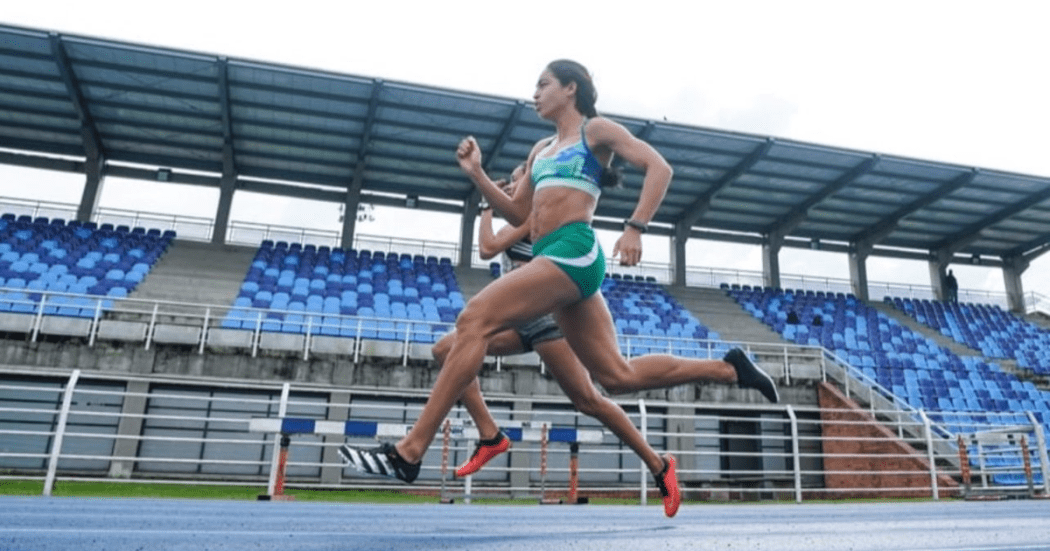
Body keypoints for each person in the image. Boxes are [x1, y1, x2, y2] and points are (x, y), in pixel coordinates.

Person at [340, 60, 778, 517]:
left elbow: (659, 168)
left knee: (473, 320)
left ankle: (411, 450)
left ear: (571, 89)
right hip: (551, 255)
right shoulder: (541, 150)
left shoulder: (596, 131)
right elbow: (515, 214)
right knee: (615, 377)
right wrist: (477, 174)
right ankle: (729, 369)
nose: (535, 93)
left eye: (543, 84)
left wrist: (635, 228)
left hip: (574, 249)